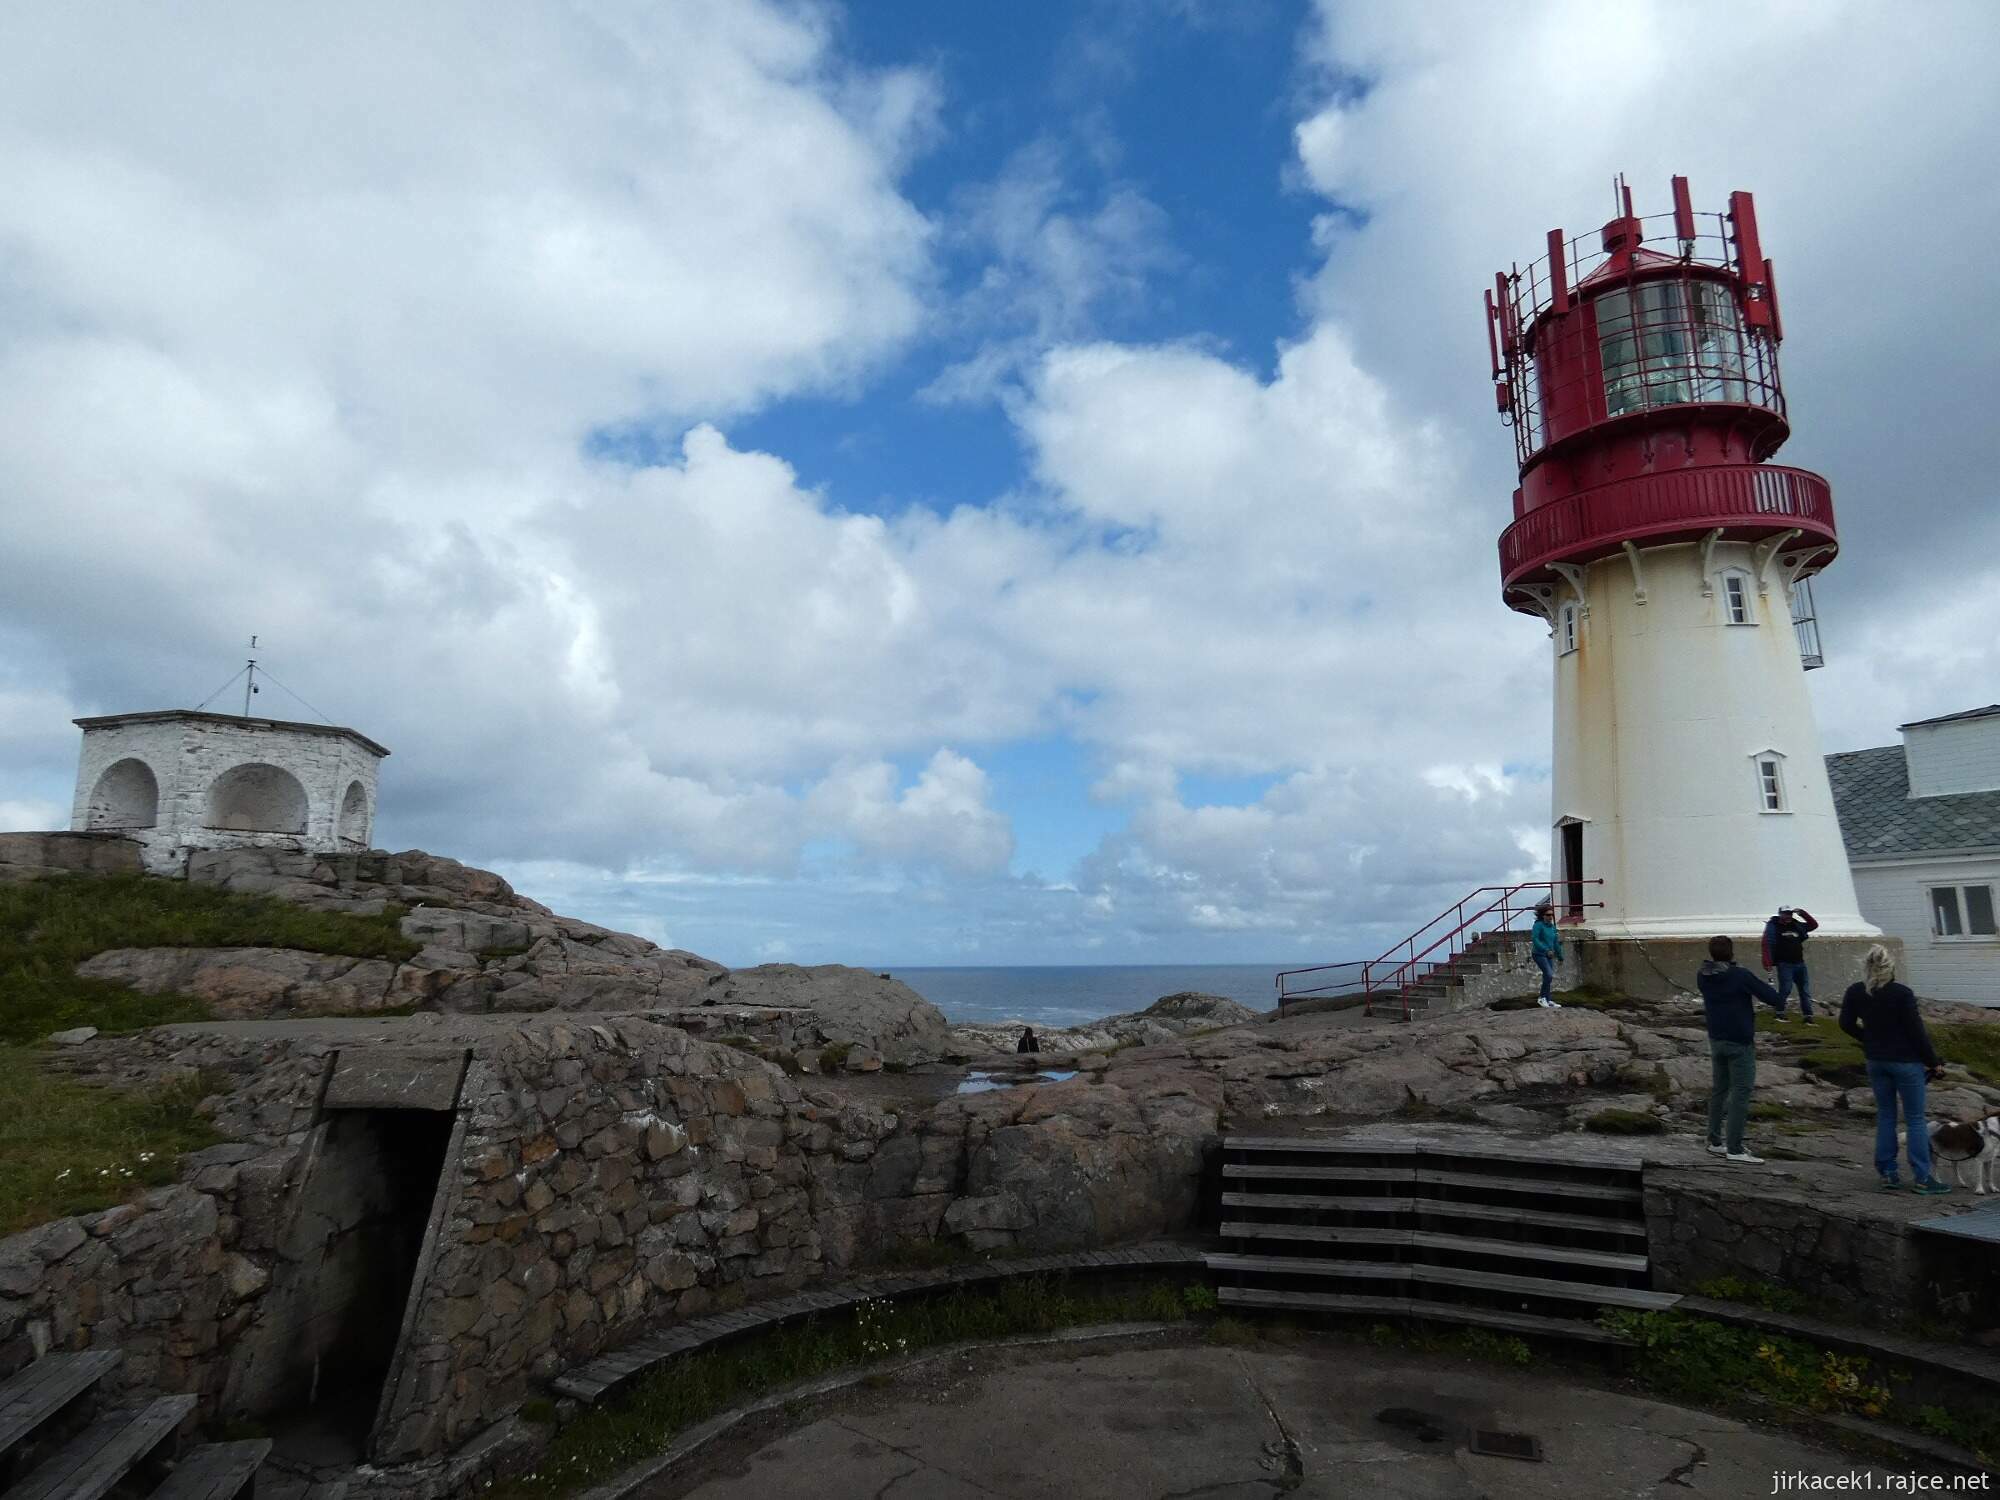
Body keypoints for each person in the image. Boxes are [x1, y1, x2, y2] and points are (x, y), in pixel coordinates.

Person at [1839, 944, 1951, 1194]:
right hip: (1906, 1062)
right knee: (1914, 1119)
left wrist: (1867, 1038)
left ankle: (1888, 1172)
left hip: (1876, 1060)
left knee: (1886, 1115)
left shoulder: (1856, 991)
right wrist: (1933, 1061)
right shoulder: (1901, 993)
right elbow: (1916, 1031)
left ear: (1866, 965)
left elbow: (1845, 1023)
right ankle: (1923, 1177)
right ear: (1891, 966)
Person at [1696, 935, 1784, 1164]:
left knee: (1720, 1090)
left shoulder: (1703, 975)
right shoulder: (1740, 976)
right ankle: (1735, 1148)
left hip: (1716, 1038)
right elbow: (1774, 999)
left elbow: (1721, 980)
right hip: (1739, 1041)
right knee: (1741, 1093)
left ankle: (1714, 1141)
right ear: (1731, 952)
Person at [1761, 904, 1820, 1020]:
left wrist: (1803, 913)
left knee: (1805, 991)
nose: (1788, 916)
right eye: (1785, 913)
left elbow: (1813, 925)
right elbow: (1767, 944)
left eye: (1790, 913)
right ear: (1780, 914)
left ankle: (1808, 1015)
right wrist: (1767, 962)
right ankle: (1780, 1012)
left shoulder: (1796, 925)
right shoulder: (1774, 927)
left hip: (1800, 963)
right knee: (1785, 989)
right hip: (1784, 964)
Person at [1529, 902, 1564, 1009]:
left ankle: (1548, 1000)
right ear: (1542, 916)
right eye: (1548, 915)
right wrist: (1545, 949)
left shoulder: (1552, 927)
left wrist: (1560, 956)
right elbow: (1535, 939)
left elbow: (1555, 942)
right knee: (1548, 974)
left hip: (1549, 955)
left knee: (1548, 977)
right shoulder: (1538, 925)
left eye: (1551, 915)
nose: (1550, 917)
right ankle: (1542, 998)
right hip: (1539, 954)